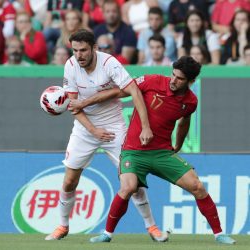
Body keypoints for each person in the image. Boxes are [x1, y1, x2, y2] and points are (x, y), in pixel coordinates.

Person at [70, 56, 236, 245]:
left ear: (191, 81)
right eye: (173, 75)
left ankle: (219, 234)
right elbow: (118, 92)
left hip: (162, 153)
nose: (173, 80)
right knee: (128, 188)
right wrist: (84, 103)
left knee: (197, 186)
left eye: (180, 79)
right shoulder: (152, 81)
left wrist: (179, 145)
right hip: (133, 151)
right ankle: (106, 234)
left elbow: (184, 122)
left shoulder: (191, 101)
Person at [44, 29, 169, 242]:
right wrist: (93, 131)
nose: (79, 55)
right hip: (85, 129)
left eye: (83, 50)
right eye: (75, 50)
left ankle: (152, 227)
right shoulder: (71, 66)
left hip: (114, 127)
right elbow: (75, 107)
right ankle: (63, 226)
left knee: (133, 181)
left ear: (94, 48)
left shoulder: (109, 63)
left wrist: (146, 126)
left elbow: (134, 92)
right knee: (69, 182)